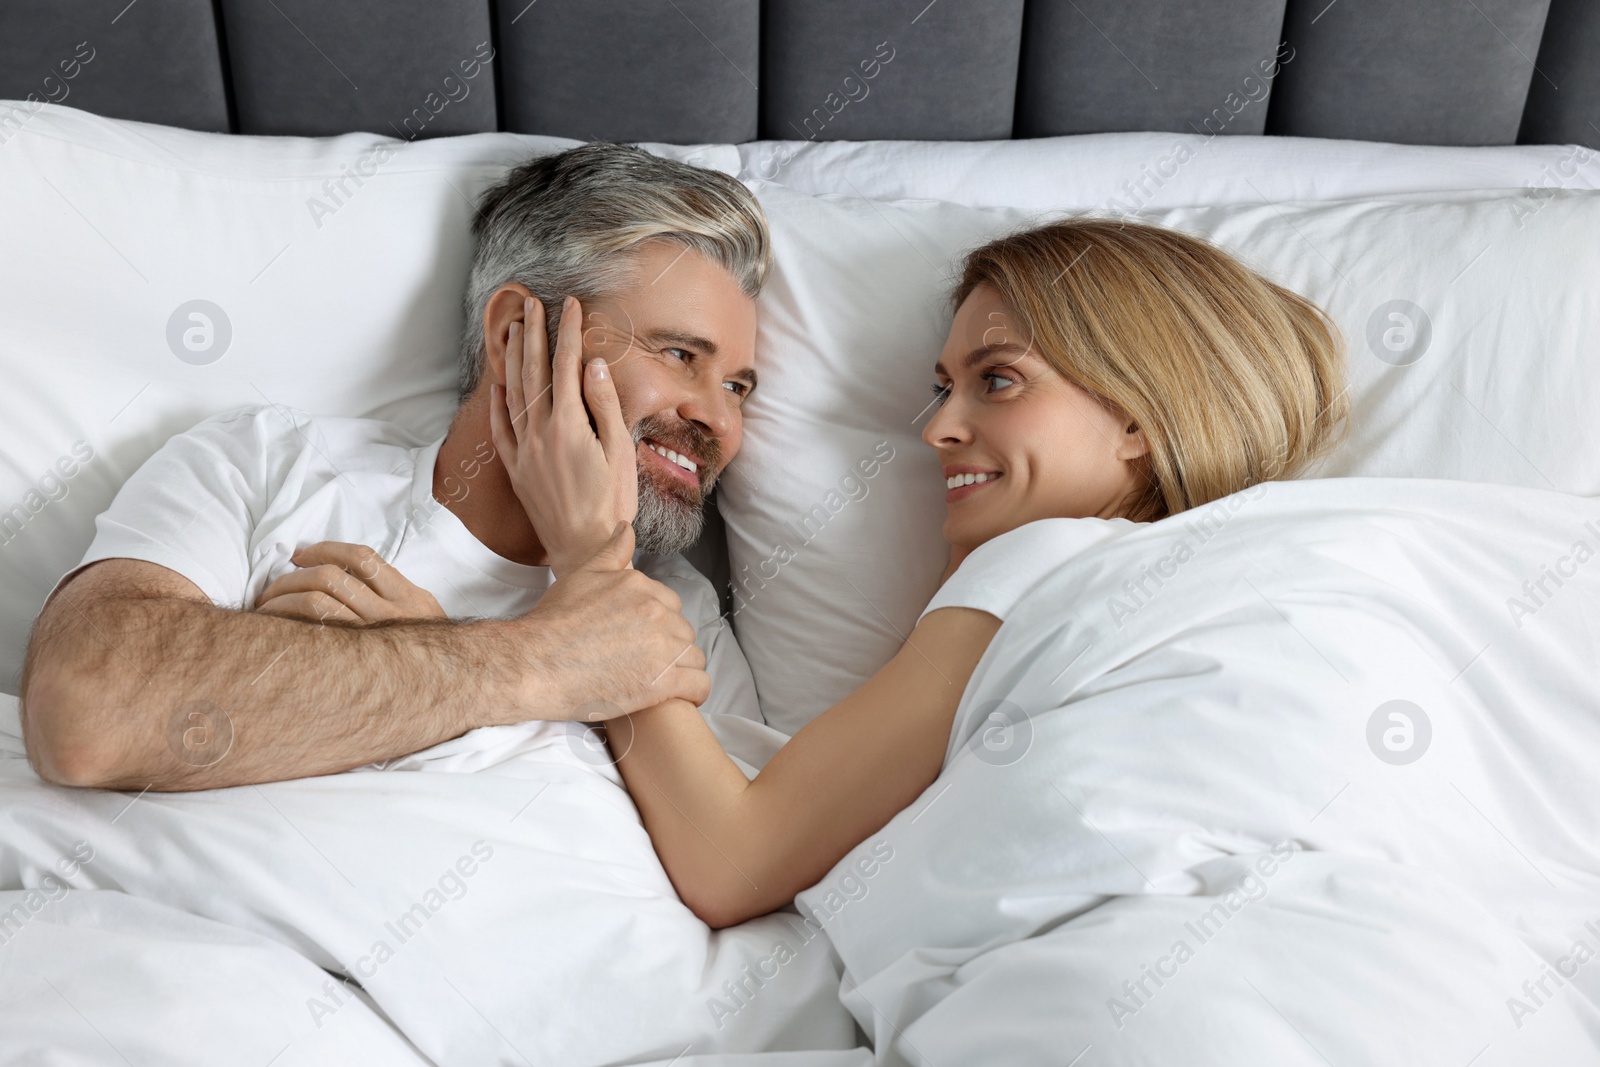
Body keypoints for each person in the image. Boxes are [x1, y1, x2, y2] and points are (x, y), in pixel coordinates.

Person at [588, 219, 1349, 928]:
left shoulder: (1036, 564)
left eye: (999, 381)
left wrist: (590, 567)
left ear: (1136, 417)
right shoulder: (1243, 569)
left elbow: (734, 860)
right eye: (943, 388)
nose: (938, 429)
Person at [19, 141, 771, 792]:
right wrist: (532, 663)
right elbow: (85, 711)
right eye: (680, 355)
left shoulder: (683, 621)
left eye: (738, 386)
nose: (721, 420)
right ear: (518, 334)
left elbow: (738, 872)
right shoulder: (269, 465)